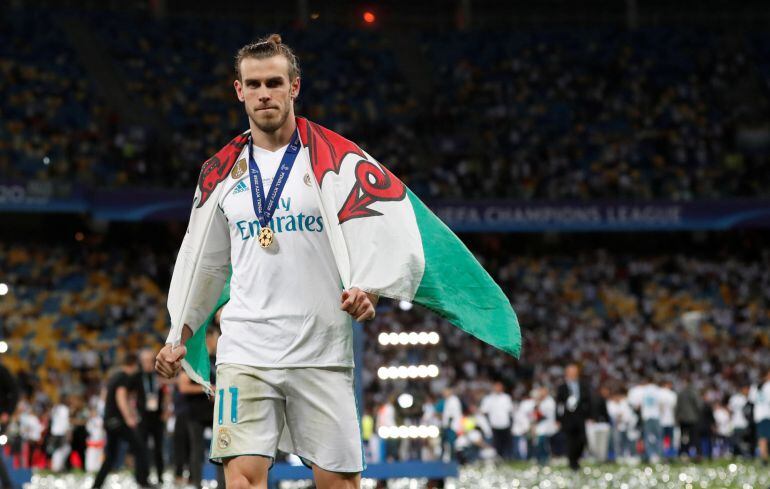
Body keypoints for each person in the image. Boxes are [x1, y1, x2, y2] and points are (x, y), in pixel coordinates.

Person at [156, 34, 377, 489]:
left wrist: (368, 290)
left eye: (274, 82)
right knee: (242, 481)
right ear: (238, 90)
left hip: (321, 350)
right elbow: (208, 266)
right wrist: (179, 333)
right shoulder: (220, 173)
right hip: (245, 352)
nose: (263, 93)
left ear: (294, 86)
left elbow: (371, 242)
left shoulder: (336, 162)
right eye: (253, 84)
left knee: (340, 483)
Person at [92, 353, 152, 489]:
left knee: (110, 456)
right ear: (134, 365)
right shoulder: (124, 377)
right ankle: (143, 482)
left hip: (109, 421)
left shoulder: (114, 376)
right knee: (140, 448)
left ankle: (96, 485)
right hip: (118, 421)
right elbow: (121, 396)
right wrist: (129, 418)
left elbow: (104, 395)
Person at [137, 349, 167, 483]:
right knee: (142, 448)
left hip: (158, 417)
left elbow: (166, 392)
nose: (148, 364)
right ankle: (143, 478)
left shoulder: (159, 375)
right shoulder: (137, 376)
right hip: (142, 418)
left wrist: (166, 411)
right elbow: (127, 393)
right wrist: (132, 413)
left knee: (159, 449)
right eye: (145, 361)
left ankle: (160, 477)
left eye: (150, 360)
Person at [555, 364, 592, 471]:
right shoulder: (562, 387)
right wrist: (557, 419)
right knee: (570, 441)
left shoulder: (583, 385)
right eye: (571, 372)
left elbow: (588, 401)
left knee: (581, 441)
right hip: (567, 419)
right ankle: (572, 463)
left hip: (580, 418)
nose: (573, 374)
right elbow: (558, 405)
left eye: (575, 372)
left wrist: (590, 416)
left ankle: (576, 459)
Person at [628, 377, 663, 463]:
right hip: (656, 415)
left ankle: (650, 455)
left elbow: (637, 404)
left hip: (646, 416)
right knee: (657, 436)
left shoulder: (642, 390)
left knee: (647, 437)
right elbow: (662, 403)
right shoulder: (657, 390)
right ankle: (658, 454)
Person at [479, 381, 514, 460]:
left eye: (500, 387)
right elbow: (483, 410)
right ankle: (499, 458)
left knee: (507, 442)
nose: (498, 389)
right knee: (497, 444)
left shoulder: (506, 397)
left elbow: (510, 410)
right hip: (494, 424)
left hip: (505, 423)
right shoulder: (488, 399)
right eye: (496, 387)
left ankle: (509, 458)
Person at [749, 370, 770, 466]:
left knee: (762, 439)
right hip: (767, 415)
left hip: (759, 416)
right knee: (763, 439)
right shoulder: (768, 386)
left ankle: (764, 460)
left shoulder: (754, 387)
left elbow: (751, 400)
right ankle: (764, 459)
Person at [533, 387, 556, 465]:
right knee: (539, 444)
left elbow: (545, 415)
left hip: (547, 426)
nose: (541, 394)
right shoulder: (540, 401)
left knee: (543, 444)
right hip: (541, 427)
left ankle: (545, 460)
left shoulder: (550, 401)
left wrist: (538, 413)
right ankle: (540, 460)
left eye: (543, 392)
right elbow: (535, 413)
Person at [728, 384, 751, 458]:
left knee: (739, 441)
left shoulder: (733, 398)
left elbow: (729, 411)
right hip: (744, 423)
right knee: (742, 441)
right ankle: (745, 455)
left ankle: (740, 455)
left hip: (736, 423)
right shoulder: (745, 398)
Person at [658, 380, 678, 459]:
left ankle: (662, 455)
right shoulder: (672, 394)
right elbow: (675, 407)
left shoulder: (658, 393)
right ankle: (670, 455)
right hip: (670, 420)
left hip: (661, 420)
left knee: (661, 439)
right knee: (670, 439)